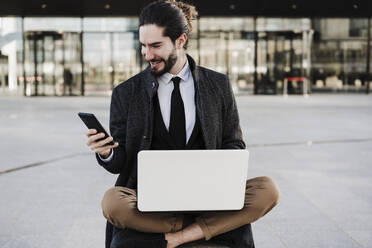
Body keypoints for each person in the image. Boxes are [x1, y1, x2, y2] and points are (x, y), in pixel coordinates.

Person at [85, 1, 280, 247]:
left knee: (268, 190)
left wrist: (220, 175)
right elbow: (120, 162)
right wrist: (107, 152)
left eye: (156, 45)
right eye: (143, 46)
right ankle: (199, 226)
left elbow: (234, 143)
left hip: (208, 196)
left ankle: (180, 236)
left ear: (181, 40)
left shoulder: (217, 85)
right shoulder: (126, 93)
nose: (147, 54)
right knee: (112, 202)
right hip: (152, 201)